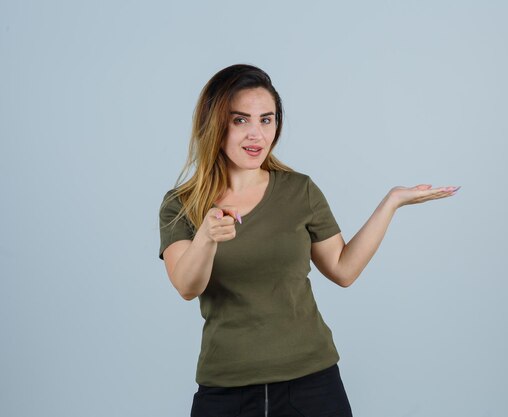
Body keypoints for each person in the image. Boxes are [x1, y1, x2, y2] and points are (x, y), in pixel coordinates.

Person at [158, 64, 460, 417]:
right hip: (227, 389)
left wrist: (391, 202)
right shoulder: (182, 203)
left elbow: (343, 270)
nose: (256, 134)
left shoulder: (299, 190)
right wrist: (207, 238)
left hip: (313, 385)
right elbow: (186, 286)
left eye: (266, 120)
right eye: (240, 120)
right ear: (214, 124)